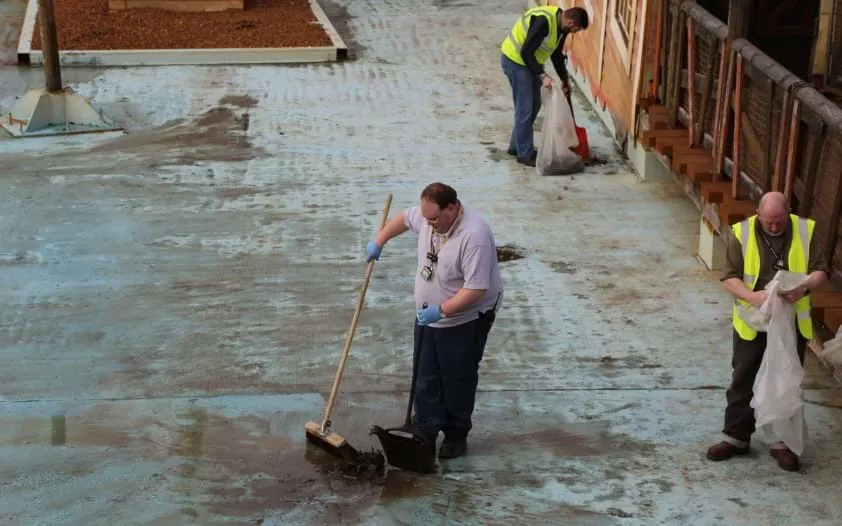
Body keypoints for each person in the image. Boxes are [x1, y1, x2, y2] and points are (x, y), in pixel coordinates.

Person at [365, 183, 504, 459]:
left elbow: (475, 290)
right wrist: (379, 240)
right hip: (428, 315)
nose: (428, 223)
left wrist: (441, 311)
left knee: (457, 377)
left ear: (452, 208)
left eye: (434, 219)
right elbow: (404, 218)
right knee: (425, 374)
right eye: (426, 218)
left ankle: (456, 434)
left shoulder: (474, 236)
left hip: (464, 318)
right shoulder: (429, 218)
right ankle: (425, 428)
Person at [706, 191, 829, 472]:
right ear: (758, 214)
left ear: (788, 213)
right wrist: (755, 299)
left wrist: (802, 288)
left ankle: (781, 442)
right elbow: (730, 277)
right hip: (753, 318)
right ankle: (736, 436)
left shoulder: (804, 230)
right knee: (744, 375)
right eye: (768, 222)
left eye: (779, 222)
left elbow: (820, 270)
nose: (773, 227)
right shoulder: (743, 232)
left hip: (791, 319)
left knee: (785, 378)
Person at [500, 5, 589, 167]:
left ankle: (517, 147)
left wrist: (564, 80)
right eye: (576, 29)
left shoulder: (561, 28)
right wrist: (542, 75)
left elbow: (556, 55)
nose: (575, 33)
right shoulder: (543, 22)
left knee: (534, 105)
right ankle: (524, 155)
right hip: (515, 61)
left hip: (530, 64)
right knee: (525, 108)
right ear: (571, 23)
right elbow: (526, 51)